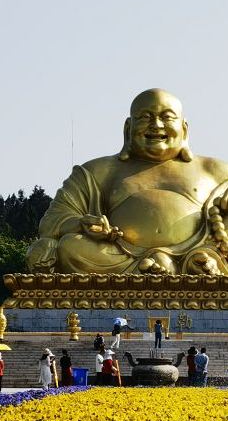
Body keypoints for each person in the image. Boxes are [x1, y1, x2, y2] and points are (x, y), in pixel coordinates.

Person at [28, 84, 228, 280]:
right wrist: (82, 224)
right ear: (128, 128)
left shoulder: (216, 171)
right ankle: (164, 272)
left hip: (196, 253)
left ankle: (191, 265)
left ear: (184, 129)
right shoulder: (97, 171)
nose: (156, 125)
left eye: (167, 117)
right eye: (145, 117)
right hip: (118, 259)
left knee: (208, 255)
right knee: (69, 247)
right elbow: (51, 223)